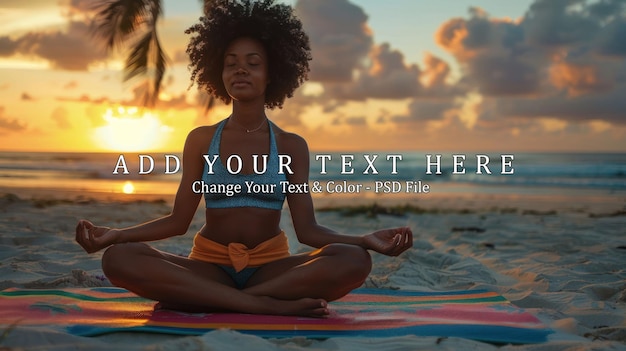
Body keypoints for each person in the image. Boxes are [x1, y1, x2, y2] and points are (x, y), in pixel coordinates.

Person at [76, 0, 413, 317]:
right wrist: (117, 235)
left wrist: (364, 240)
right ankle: (265, 307)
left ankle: (229, 300)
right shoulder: (202, 140)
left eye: (253, 63)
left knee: (354, 259)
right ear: (218, 74)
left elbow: (308, 231)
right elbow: (178, 221)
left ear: (272, 74)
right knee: (120, 258)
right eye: (231, 63)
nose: (241, 70)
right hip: (208, 267)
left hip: (272, 270)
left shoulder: (291, 145)